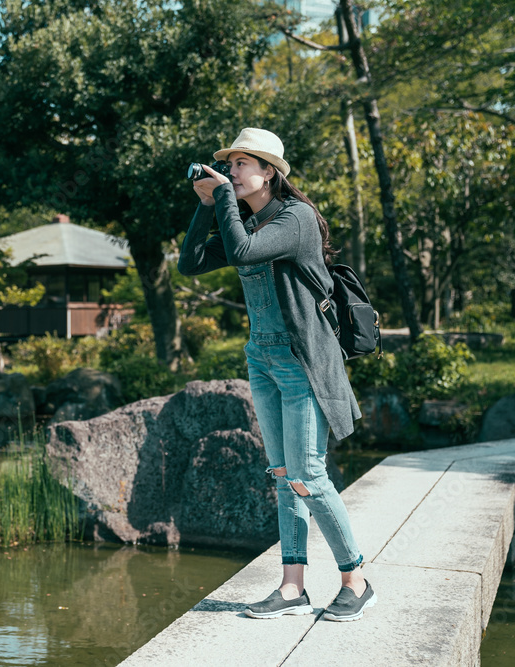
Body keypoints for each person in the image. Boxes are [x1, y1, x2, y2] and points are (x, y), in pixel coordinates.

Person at [177, 128, 377, 622]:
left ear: (269, 172)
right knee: (284, 476)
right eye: (230, 164)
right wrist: (207, 204)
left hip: (303, 361)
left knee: (309, 473)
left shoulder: (297, 218)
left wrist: (222, 194)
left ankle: (356, 579)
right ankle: (292, 588)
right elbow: (190, 261)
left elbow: (244, 253)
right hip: (262, 360)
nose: (233, 172)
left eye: (242, 164)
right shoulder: (241, 219)